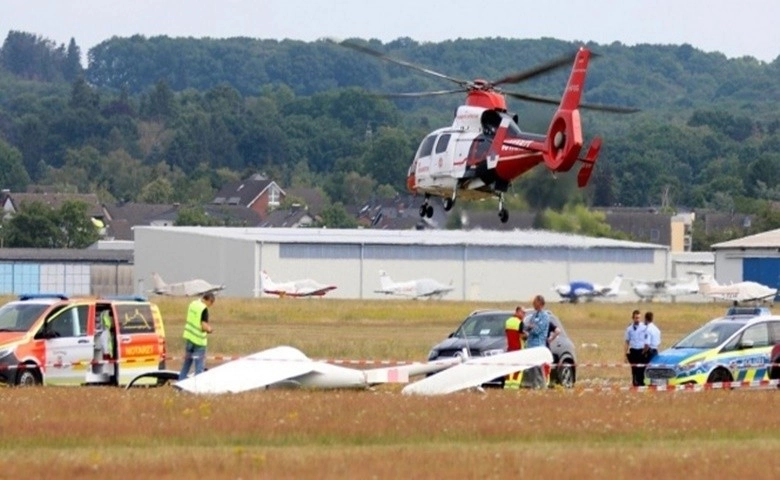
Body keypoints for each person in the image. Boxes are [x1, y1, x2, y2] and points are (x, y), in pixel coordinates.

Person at [178, 292, 215, 380]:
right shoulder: (204, 309)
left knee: (186, 366)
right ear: (209, 300)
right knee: (199, 368)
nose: (211, 306)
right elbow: (203, 326)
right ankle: (197, 388)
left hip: (189, 339)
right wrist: (210, 329)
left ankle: (180, 385)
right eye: (211, 303)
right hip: (199, 342)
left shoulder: (193, 304)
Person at [523, 295, 551, 389]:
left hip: (538, 345)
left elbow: (537, 330)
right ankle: (534, 386)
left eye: (535, 302)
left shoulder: (545, 316)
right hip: (530, 345)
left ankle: (542, 386)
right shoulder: (534, 315)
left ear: (540, 303)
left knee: (539, 368)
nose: (533, 304)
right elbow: (528, 327)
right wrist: (529, 328)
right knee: (531, 368)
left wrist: (532, 327)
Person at [504, 306, 527, 389]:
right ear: (517, 312)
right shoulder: (520, 323)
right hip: (518, 349)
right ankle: (514, 387)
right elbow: (521, 335)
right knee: (518, 369)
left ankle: (507, 386)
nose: (524, 314)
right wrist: (527, 335)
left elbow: (509, 334)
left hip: (509, 349)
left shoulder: (508, 321)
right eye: (522, 312)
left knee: (508, 369)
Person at [624, 309, 647, 386]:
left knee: (642, 368)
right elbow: (627, 341)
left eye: (639, 318)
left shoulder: (644, 327)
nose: (637, 319)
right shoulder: (629, 329)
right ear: (633, 318)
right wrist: (625, 354)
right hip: (633, 350)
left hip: (641, 350)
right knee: (634, 369)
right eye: (636, 318)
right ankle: (635, 383)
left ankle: (641, 383)